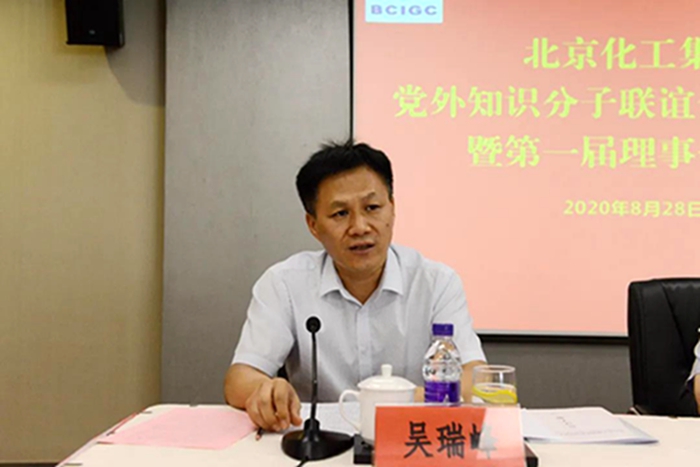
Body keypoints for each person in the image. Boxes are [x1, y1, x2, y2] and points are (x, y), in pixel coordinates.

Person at [224, 141, 486, 432]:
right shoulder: (283, 283)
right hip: (320, 442)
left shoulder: (436, 283)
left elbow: (475, 376)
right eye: (340, 214)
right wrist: (267, 390)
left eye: (372, 208)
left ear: (392, 209)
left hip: (412, 439)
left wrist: (405, 399)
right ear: (313, 225)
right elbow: (240, 378)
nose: (360, 227)